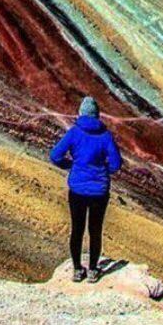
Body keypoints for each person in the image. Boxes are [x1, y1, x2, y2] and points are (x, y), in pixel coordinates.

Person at [49, 96, 122, 283]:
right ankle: (92, 270)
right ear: (97, 115)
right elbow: (116, 163)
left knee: (77, 229)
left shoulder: (74, 133)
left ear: (81, 113)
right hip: (99, 191)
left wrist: (71, 166)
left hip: (78, 190)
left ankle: (76, 269)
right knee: (95, 230)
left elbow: (55, 155)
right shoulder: (105, 136)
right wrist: (103, 171)